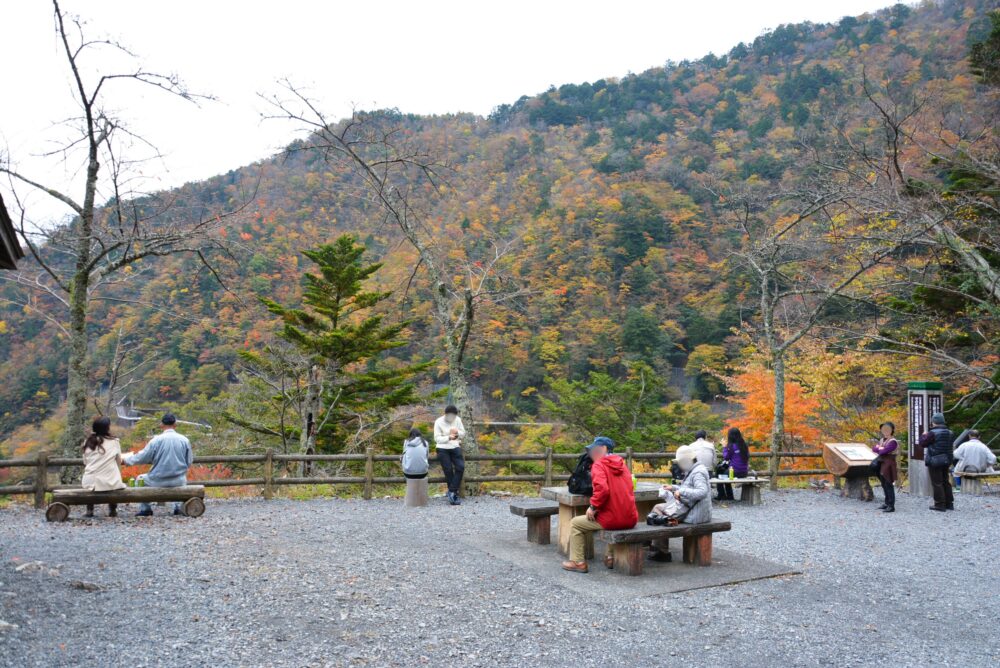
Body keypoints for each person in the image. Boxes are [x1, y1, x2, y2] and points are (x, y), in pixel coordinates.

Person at [561, 437, 637, 573]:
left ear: (603, 449)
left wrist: (593, 507)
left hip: (613, 520)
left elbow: (602, 490)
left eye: (594, 449)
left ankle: (578, 562)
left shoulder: (599, 465)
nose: (591, 453)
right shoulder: (622, 465)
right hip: (630, 518)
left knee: (575, 523)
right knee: (613, 516)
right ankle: (610, 557)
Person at [121, 414, 193, 517]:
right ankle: (177, 507)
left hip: (158, 480)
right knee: (182, 479)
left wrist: (126, 461)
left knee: (140, 479)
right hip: (178, 480)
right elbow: (189, 461)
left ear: (161, 425)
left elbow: (142, 457)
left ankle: (146, 509)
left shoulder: (156, 440)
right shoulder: (185, 440)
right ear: (175, 424)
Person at [80, 416, 127, 518]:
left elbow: (85, 462)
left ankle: (89, 510)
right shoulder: (114, 441)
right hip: (109, 482)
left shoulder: (88, 442)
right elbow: (119, 461)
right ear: (107, 428)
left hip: (89, 481)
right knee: (112, 473)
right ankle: (113, 509)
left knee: (92, 479)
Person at [918, 413, 955, 512]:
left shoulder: (932, 433)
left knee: (937, 483)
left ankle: (939, 504)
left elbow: (922, 443)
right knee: (945, 481)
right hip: (947, 459)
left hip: (935, 460)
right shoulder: (950, 432)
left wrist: (923, 435)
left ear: (933, 422)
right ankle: (949, 503)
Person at [433, 405, 466, 505]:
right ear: (445, 414)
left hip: (455, 446)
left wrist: (457, 433)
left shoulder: (458, 420)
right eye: (450, 416)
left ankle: (451, 491)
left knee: (460, 467)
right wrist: (448, 437)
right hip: (442, 447)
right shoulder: (438, 421)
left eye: (454, 416)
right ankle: (453, 494)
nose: (452, 418)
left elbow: (463, 433)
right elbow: (437, 438)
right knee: (448, 470)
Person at [871, 422, 899, 513]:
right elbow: (874, 448)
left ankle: (891, 505)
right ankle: (886, 503)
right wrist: (880, 448)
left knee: (888, 483)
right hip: (882, 462)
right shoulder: (882, 439)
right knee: (883, 484)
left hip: (889, 463)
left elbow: (883, 451)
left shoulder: (893, 441)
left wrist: (880, 448)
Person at [718, 427, 749, 501]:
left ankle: (724, 496)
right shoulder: (744, 445)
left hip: (735, 472)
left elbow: (726, 457)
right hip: (744, 472)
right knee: (726, 473)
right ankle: (729, 496)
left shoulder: (732, 446)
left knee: (719, 474)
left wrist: (724, 447)